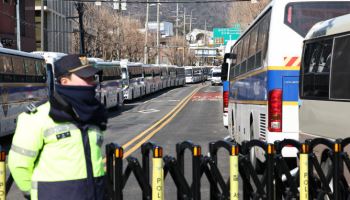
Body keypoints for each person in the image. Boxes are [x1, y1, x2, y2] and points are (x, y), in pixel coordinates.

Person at [8, 54, 108, 200]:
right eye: (85, 78)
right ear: (64, 81)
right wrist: (36, 194)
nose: (92, 83)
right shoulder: (37, 117)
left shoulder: (93, 114)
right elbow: (18, 164)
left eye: (92, 78)